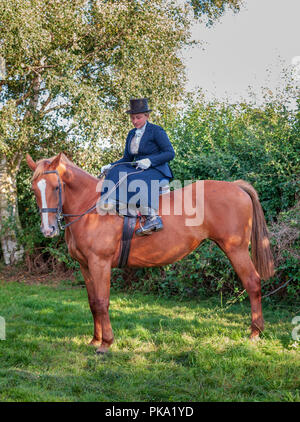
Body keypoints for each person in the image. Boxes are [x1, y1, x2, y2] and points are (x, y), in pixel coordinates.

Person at [100, 98, 175, 236]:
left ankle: (153, 218)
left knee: (134, 178)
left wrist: (150, 161)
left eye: (138, 117)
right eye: (132, 118)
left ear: (147, 116)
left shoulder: (156, 131)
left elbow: (170, 153)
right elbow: (127, 159)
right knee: (116, 170)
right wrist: (110, 166)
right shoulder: (131, 134)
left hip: (157, 168)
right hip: (139, 167)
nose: (135, 121)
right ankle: (113, 203)